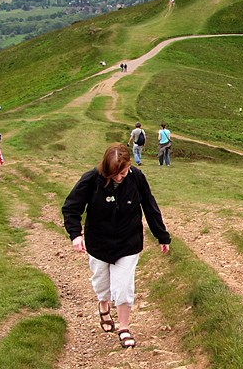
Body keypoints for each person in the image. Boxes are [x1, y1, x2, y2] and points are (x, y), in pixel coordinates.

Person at [62, 143, 170, 349]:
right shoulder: (92, 179)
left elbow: (149, 206)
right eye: (115, 174)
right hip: (99, 242)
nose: (120, 177)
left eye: (123, 172)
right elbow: (71, 208)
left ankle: (123, 327)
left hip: (128, 242)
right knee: (102, 283)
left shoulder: (136, 178)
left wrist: (162, 235)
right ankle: (103, 306)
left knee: (124, 286)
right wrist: (75, 235)